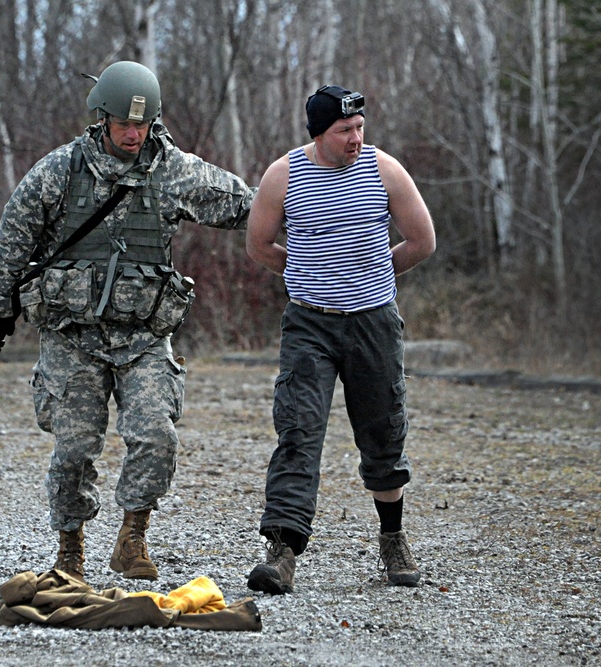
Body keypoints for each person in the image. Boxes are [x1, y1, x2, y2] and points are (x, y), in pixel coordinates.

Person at [0, 61, 254, 583]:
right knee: (74, 449)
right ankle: (70, 548)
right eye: (125, 124)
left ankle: (132, 536)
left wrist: (312, 193)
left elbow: (245, 205)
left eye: (143, 124)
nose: (134, 134)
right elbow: (11, 240)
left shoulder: (175, 172)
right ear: (101, 118)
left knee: (156, 436)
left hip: (143, 337)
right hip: (72, 335)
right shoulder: (60, 170)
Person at [244, 85, 436, 594]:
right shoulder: (283, 175)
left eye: (359, 128)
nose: (355, 138)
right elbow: (259, 243)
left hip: (374, 322)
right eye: (343, 131)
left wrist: (378, 273)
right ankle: (282, 551)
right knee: (298, 430)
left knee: (382, 433)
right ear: (318, 133)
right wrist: (306, 271)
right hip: (310, 324)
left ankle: (392, 538)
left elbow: (422, 239)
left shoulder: (385, 170)